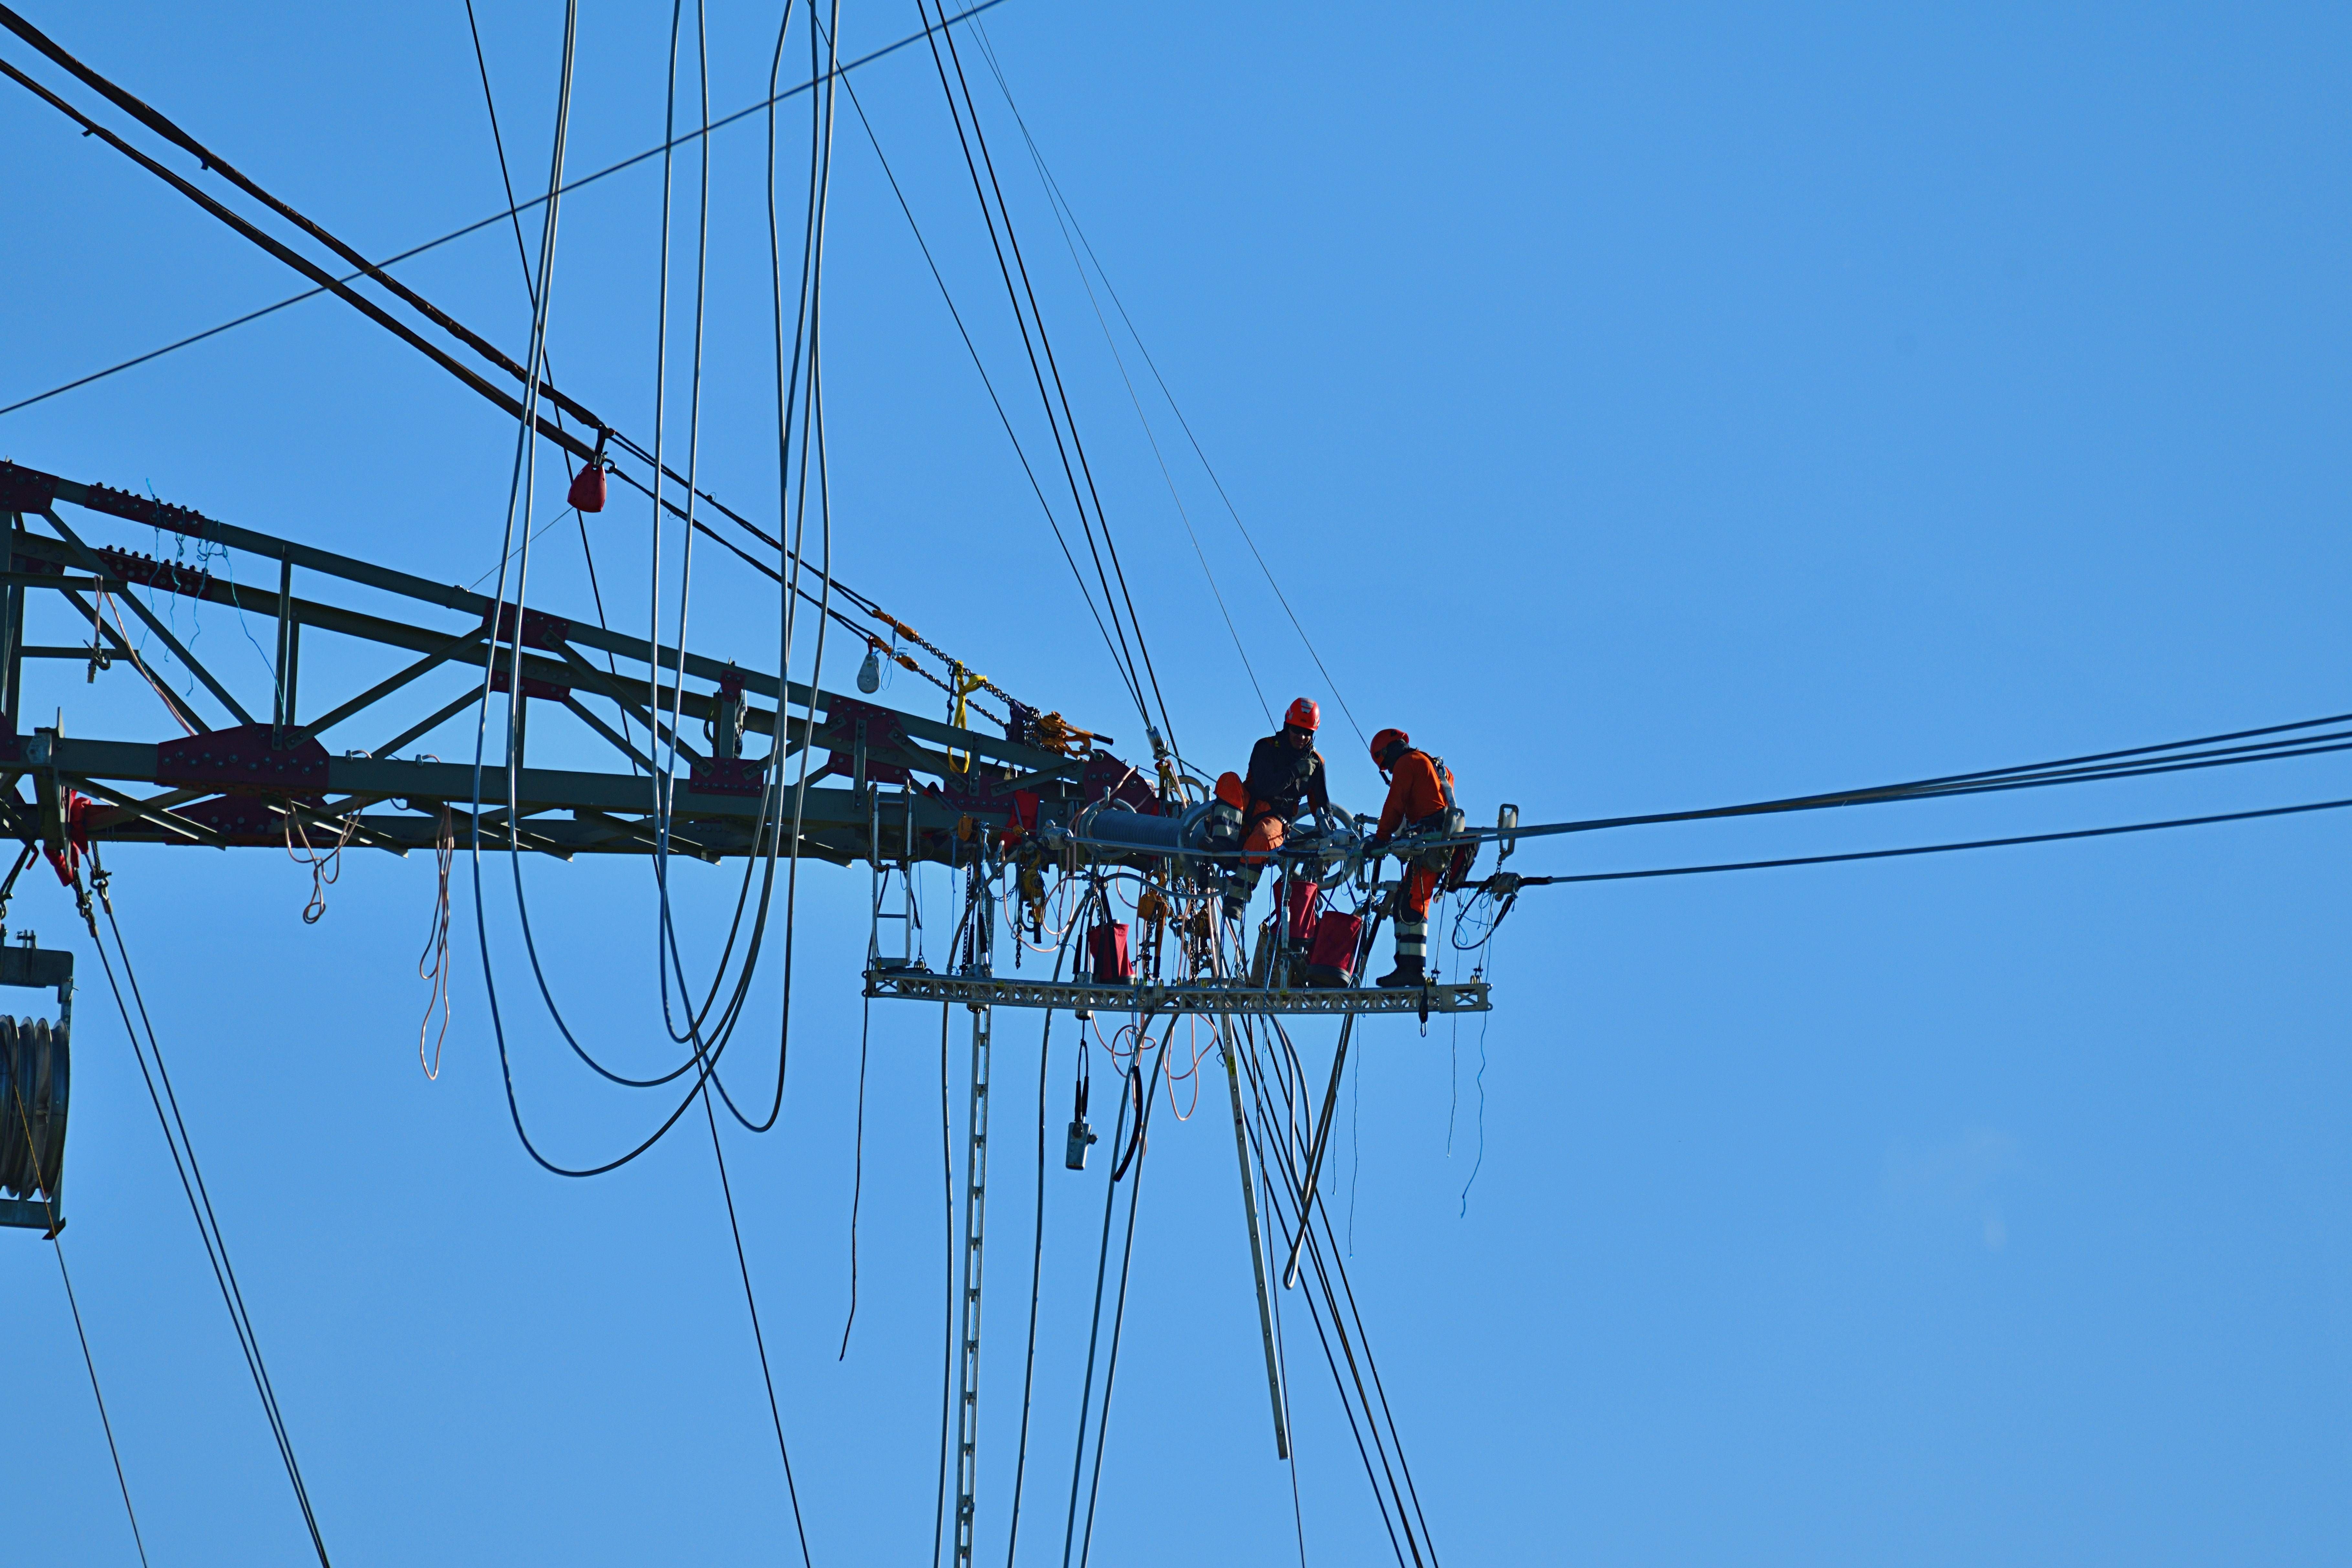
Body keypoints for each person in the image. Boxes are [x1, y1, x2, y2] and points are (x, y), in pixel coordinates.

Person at [1221, 697, 1331, 922]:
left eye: (1307, 733)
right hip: (1247, 808)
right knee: (1228, 780)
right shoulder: (1266, 748)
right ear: (1287, 725)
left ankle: (1237, 899)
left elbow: (1320, 804)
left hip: (1276, 819)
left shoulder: (1315, 764)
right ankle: (1222, 845)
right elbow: (1265, 785)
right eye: (1296, 730)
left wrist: (1328, 836)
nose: (1301, 737)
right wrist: (1296, 770)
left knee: (1262, 836)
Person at [1366, 727, 1460, 987]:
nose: (1390, 771)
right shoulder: (1434, 764)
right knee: (1410, 900)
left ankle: (1411, 970)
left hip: (1431, 842)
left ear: (1388, 752)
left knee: (1410, 904)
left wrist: (1380, 839)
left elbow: (1395, 804)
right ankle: (1409, 968)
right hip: (1442, 842)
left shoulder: (1408, 764)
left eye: (1387, 765)